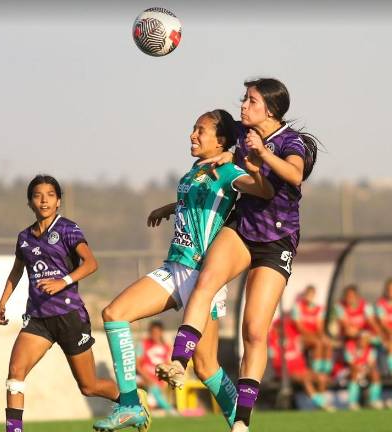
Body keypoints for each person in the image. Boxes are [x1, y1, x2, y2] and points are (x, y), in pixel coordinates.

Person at [93, 109, 275, 432]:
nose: (192, 135)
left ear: (221, 140)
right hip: (174, 267)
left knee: (206, 368)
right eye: (193, 129)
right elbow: (196, 201)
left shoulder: (228, 169)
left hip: (202, 277)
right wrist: (169, 208)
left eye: (200, 130)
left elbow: (261, 190)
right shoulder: (196, 169)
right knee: (113, 313)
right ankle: (131, 404)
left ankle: (241, 425)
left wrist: (253, 166)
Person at [157, 78, 320, 432]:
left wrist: (262, 155)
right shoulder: (246, 140)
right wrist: (180, 200)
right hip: (243, 229)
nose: (243, 106)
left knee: (254, 331)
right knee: (206, 280)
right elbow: (224, 173)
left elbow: (294, 176)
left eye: (251, 100)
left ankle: (241, 422)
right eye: (244, 99)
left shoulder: (293, 143)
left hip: (277, 242)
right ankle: (178, 363)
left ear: (271, 110)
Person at [0, 175, 119, 432]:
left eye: (50, 195)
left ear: (58, 201)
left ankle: (131, 399)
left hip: (69, 316)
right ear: (30, 202)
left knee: (89, 386)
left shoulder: (67, 229)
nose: (44, 200)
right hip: (38, 319)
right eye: (38, 195)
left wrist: (62, 281)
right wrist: (3, 302)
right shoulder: (24, 238)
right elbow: (17, 271)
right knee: (15, 374)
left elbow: (91, 263)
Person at [267, 315, 332, 410]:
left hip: (302, 369)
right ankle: (321, 404)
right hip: (286, 372)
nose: (282, 329)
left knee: (321, 378)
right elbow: (273, 360)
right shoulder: (272, 340)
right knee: (305, 379)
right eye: (280, 327)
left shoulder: (294, 337)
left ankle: (321, 401)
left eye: (284, 327)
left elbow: (310, 341)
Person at [291, 285, 333, 377]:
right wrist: (316, 337)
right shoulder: (297, 307)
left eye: (312, 295)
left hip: (313, 335)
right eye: (308, 295)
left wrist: (322, 336)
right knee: (318, 343)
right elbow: (300, 328)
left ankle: (326, 372)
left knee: (328, 343)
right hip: (301, 337)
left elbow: (319, 327)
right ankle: (316, 372)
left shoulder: (319, 309)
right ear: (304, 295)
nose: (309, 297)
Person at [136, 321, 177, 415]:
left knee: (151, 404)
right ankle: (169, 409)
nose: (155, 335)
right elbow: (137, 365)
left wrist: (164, 379)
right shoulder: (143, 344)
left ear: (161, 332)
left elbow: (167, 366)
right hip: (141, 377)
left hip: (157, 379)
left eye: (157, 332)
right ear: (150, 332)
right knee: (152, 387)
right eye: (153, 332)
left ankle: (158, 409)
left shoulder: (166, 347)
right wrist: (147, 378)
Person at [343, 331, 384, 410]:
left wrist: (365, 370)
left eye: (366, 340)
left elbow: (372, 365)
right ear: (358, 339)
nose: (364, 342)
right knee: (354, 373)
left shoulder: (371, 349)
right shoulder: (349, 347)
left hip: (364, 371)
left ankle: (373, 401)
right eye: (363, 339)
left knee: (375, 374)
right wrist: (361, 369)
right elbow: (350, 364)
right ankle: (352, 402)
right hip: (347, 372)